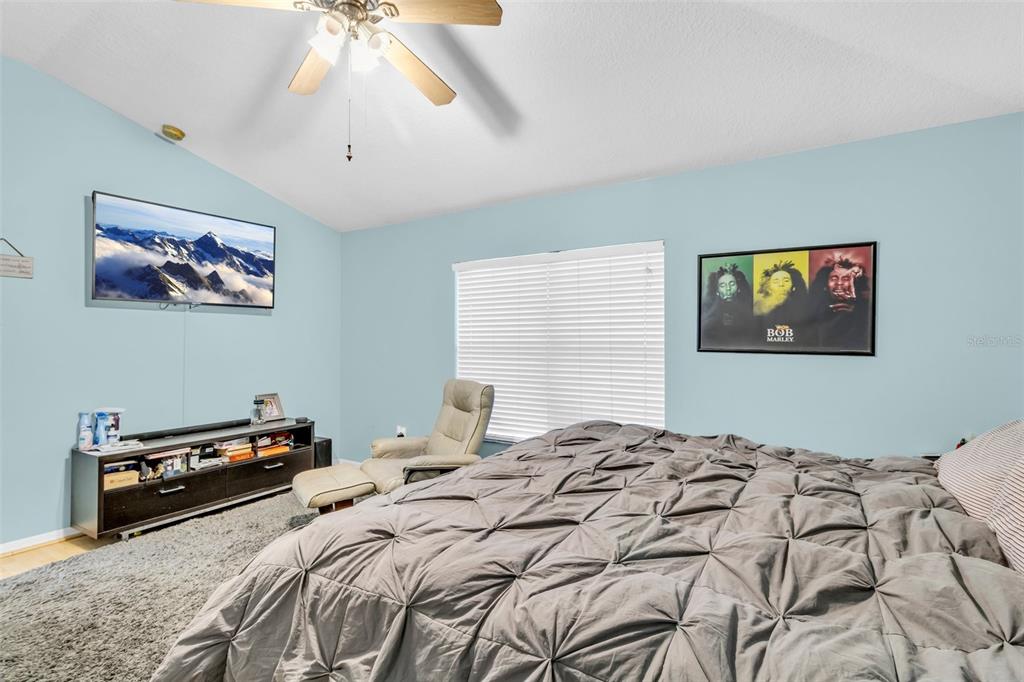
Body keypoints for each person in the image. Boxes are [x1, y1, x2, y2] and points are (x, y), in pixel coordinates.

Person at [808, 255, 872, 350]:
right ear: (825, 284)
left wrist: (856, 312)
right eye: (834, 278)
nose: (839, 283)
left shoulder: (867, 310)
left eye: (846, 279)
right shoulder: (814, 310)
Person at [701, 265, 755, 347]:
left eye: (732, 284)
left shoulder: (750, 309)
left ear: (738, 288)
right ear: (717, 291)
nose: (728, 288)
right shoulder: (708, 311)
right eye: (722, 285)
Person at [753, 260, 807, 329]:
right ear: (768, 287)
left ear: (793, 285)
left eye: (786, 281)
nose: (781, 284)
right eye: (776, 281)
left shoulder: (801, 308)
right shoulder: (758, 308)